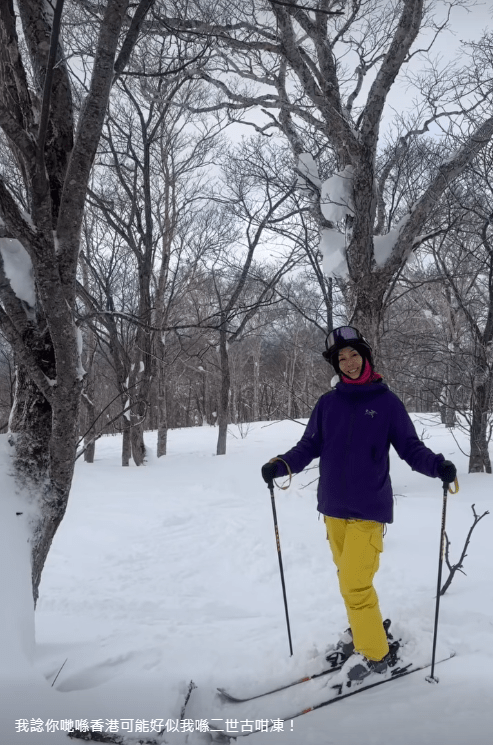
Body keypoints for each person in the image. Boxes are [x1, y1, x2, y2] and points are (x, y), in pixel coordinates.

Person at [261, 325, 457, 683]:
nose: (348, 363)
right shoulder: (328, 404)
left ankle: (377, 653)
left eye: (354, 355)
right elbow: (308, 446)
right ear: (336, 365)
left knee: (355, 582)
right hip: (333, 508)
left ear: (365, 356)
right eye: (341, 358)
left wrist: (438, 466)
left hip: (369, 509)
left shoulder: (386, 403)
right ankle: (363, 629)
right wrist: (282, 465)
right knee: (350, 580)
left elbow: (411, 448)